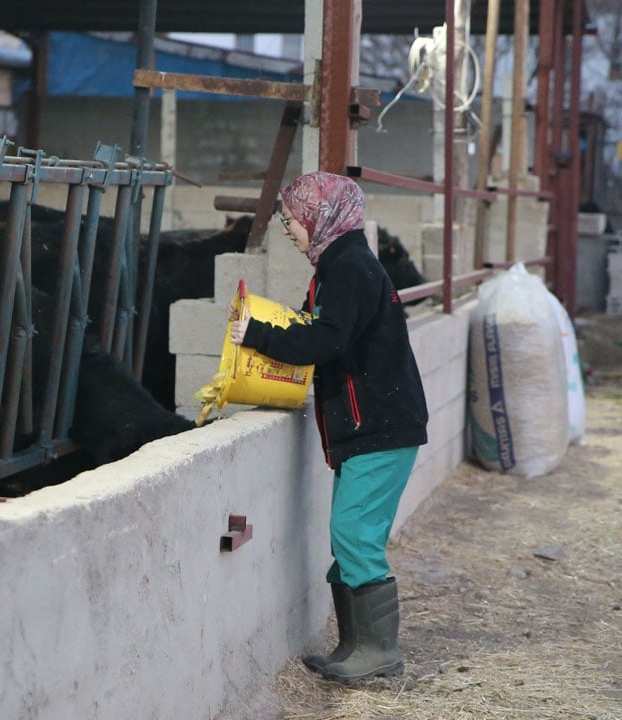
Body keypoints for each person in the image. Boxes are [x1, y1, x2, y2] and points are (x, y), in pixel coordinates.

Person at [227, 171, 428, 682]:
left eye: (292, 219)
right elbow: (320, 331)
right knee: (349, 535)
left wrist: (258, 334)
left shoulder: (350, 267)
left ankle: (381, 651)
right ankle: (355, 644)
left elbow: (326, 341)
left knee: (355, 533)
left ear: (320, 216)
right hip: (367, 426)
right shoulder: (336, 265)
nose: (289, 229)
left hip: (381, 425)